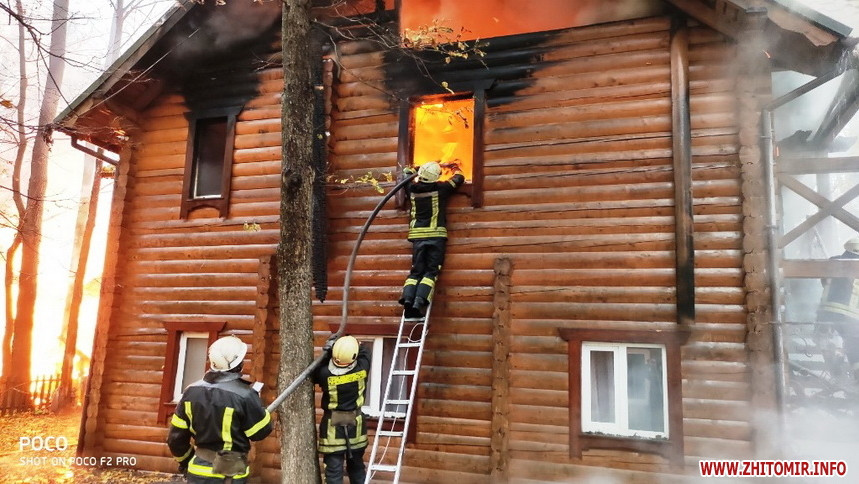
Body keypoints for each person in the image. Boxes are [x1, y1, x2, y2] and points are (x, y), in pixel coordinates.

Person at [167, 335, 273, 483]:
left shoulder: (190, 392)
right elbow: (259, 432)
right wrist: (258, 407)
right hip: (230, 477)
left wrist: (187, 462)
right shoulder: (244, 395)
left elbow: (175, 440)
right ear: (238, 364)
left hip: (197, 473)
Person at [398, 161, 465, 318]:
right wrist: (453, 166)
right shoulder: (442, 189)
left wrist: (419, 166)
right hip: (435, 236)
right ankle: (419, 302)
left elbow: (406, 172)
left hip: (417, 237)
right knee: (431, 271)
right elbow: (459, 178)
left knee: (416, 272)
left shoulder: (411, 188)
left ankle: (407, 300)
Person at [312, 335, 371, 484]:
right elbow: (365, 352)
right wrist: (355, 344)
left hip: (333, 426)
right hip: (356, 425)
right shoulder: (363, 367)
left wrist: (328, 352)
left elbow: (314, 372)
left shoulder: (325, 374)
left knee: (334, 471)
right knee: (357, 467)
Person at [817, 237, 859, 380]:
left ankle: (836, 373)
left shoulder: (833, 261)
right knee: (855, 347)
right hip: (849, 317)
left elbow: (824, 282)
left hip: (824, 314)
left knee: (826, 341)